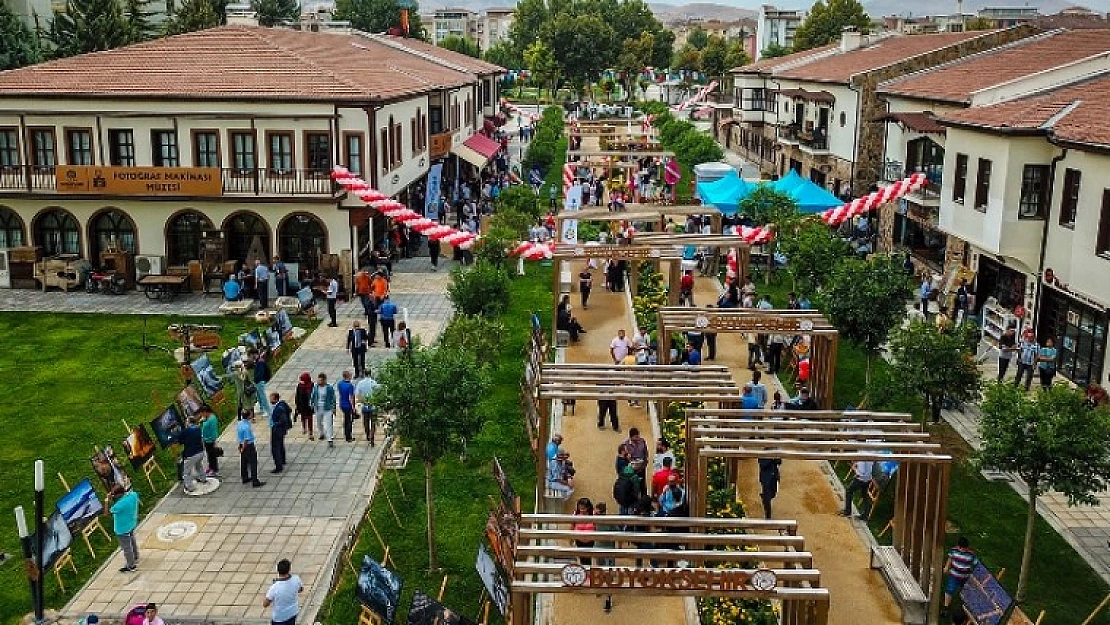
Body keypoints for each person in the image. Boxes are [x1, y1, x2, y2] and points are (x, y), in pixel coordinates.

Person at [942, 537, 979, 617]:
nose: (963, 550)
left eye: (965, 548)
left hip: (965, 577)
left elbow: (976, 564)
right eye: (962, 548)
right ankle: (945, 607)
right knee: (950, 589)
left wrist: (976, 574)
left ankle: (964, 607)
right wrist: (946, 567)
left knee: (966, 592)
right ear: (958, 546)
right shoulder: (954, 550)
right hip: (954, 575)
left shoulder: (971, 554)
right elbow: (950, 559)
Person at [108, 485, 140, 572]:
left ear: (119, 495)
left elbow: (107, 512)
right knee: (132, 540)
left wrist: (107, 501)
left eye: (114, 494)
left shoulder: (119, 505)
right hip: (132, 522)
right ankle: (136, 557)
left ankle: (131, 565)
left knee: (126, 547)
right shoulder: (133, 495)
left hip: (122, 529)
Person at [264, 559, 304, 625]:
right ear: (289, 569)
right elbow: (300, 589)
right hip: (293, 612)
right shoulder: (296, 579)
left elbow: (265, 604)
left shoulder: (274, 587)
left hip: (279, 618)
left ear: (278, 570)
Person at [178, 417, 208, 493]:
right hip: (201, 452)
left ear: (189, 422)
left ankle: (190, 487)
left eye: (186, 421)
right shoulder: (198, 428)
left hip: (191, 455)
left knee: (186, 472)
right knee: (199, 465)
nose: (185, 422)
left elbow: (180, 441)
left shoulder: (185, 431)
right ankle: (203, 478)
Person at [237, 409, 265, 488]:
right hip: (248, 446)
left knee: (243, 462)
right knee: (253, 463)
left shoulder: (240, 423)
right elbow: (246, 439)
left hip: (241, 444)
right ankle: (255, 481)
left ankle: (245, 478)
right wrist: (243, 448)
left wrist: (240, 446)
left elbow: (240, 436)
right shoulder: (246, 427)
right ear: (249, 416)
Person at [311, 373, 337, 448]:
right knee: (319, 422)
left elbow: (333, 398)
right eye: (318, 380)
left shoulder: (329, 388)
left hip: (327, 408)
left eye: (321, 381)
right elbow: (313, 396)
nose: (319, 382)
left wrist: (334, 407)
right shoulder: (316, 387)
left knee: (329, 423)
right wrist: (311, 403)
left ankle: (330, 439)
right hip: (318, 407)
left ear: (324, 380)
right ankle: (321, 433)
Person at [355, 371, 380, 444]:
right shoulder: (374, 383)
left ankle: (368, 435)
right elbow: (378, 393)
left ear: (364, 374)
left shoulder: (360, 383)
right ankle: (372, 435)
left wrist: (363, 401)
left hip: (364, 406)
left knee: (366, 421)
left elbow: (357, 394)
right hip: (373, 405)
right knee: (373, 422)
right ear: (370, 374)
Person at [269, 392, 292, 473]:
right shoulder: (282, 404)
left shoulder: (279, 408)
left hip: (277, 430)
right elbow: (289, 410)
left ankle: (278, 466)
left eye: (271, 398)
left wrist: (275, 425)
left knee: (275, 448)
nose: (270, 400)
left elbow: (283, 419)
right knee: (281, 445)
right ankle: (282, 460)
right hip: (281, 430)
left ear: (275, 399)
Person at [623, 428, 649, 495]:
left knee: (642, 484)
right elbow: (624, 456)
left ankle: (644, 497)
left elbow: (645, 451)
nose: (638, 438)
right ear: (631, 437)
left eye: (638, 436)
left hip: (642, 467)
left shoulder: (642, 441)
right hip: (632, 468)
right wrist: (628, 458)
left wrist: (645, 461)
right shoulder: (626, 444)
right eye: (636, 437)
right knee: (633, 484)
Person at [571, 498, 596, 565]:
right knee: (582, 559)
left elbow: (596, 526)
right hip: (579, 540)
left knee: (588, 559)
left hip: (590, 541)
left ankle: (588, 572)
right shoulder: (575, 514)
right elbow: (572, 526)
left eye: (583, 508)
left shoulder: (593, 514)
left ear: (588, 507)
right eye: (580, 508)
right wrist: (571, 538)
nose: (582, 509)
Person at [199, 406, 221, 477]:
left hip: (210, 440)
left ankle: (214, 470)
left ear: (206, 412)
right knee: (209, 455)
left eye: (202, 413)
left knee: (212, 456)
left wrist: (214, 441)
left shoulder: (212, 419)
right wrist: (203, 420)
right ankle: (210, 466)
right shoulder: (207, 418)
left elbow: (213, 431)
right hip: (206, 440)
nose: (201, 415)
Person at [337, 371, 357, 443]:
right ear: (348, 376)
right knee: (349, 421)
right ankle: (348, 436)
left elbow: (340, 393)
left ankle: (346, 434)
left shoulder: (340, 384)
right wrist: (353, 408)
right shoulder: (350, 386)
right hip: (348, 405)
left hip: (342, 403)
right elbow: (351, 398)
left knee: (346, 419)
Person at [254, 350, 273, 419]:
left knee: (263, 396)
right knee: (259, 395)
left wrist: (257, 380)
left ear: (255, 354)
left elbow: (260, 373)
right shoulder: (257, 361)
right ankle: (262, 408)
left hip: (260, 382)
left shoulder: (260, 362)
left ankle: (267, 410)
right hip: (257, 381)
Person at [294, 372, 314, 438]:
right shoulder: (299, 385)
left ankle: (310, 431)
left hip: (309, 405)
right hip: (301, 404)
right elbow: (297, 395)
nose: (301, 381)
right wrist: (297, 404)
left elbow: (313, 394)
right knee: (303, 417)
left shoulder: (311, 385)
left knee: (310, 418)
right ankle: (304, 428)